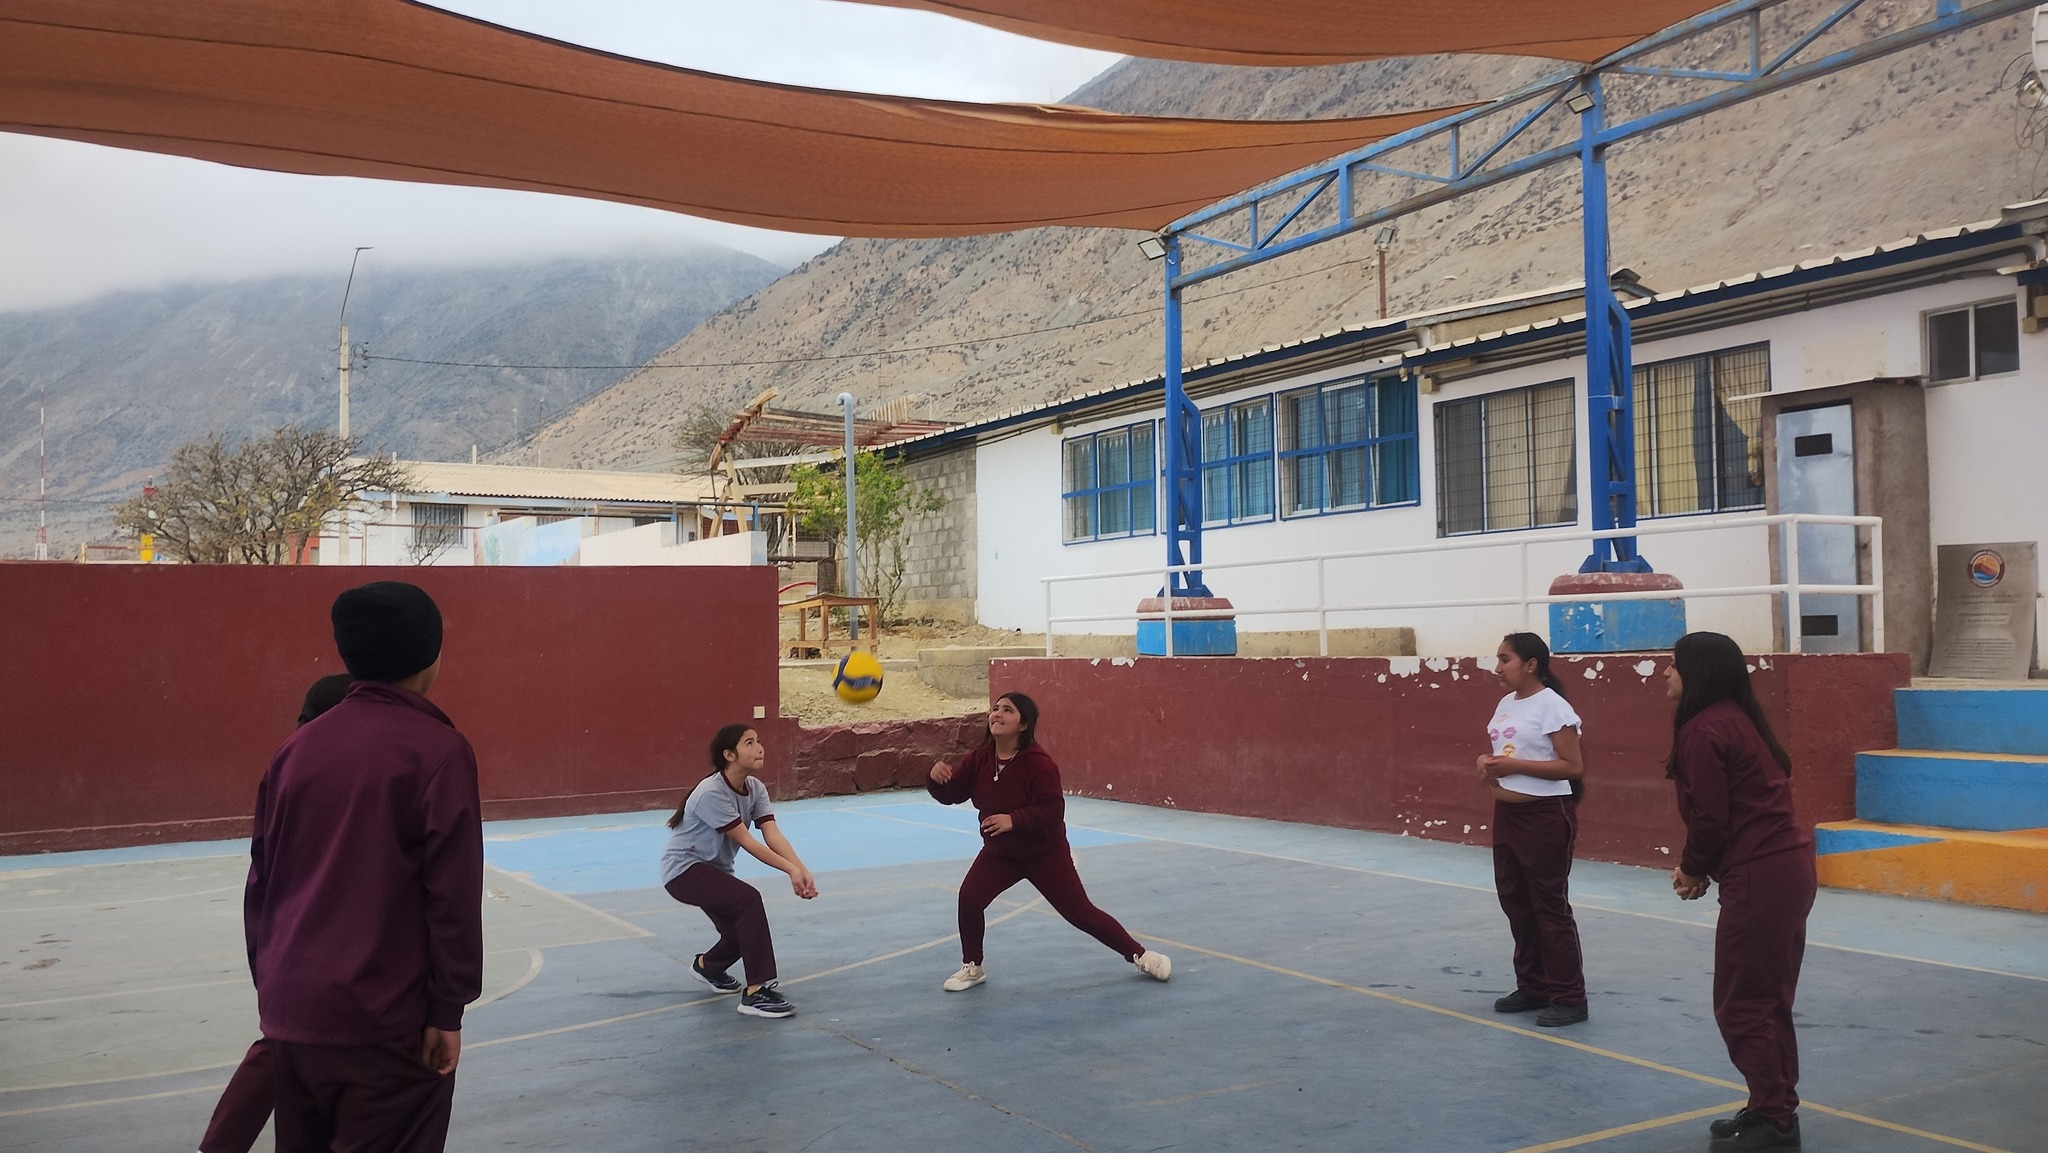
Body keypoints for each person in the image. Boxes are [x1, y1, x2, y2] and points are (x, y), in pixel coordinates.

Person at [244, 582, 482, 1153]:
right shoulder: (437, 750)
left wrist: (278, 990)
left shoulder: (296, 749)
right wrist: (446, 1009)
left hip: (293, 1010)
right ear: (432, 653)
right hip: (384, 1020)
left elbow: (261, 882)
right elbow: (451, 894)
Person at [1665, 632, 1815, 1150]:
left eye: (1675, 666)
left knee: (1742, 1003)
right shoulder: (1739, 718)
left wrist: (1691, 869)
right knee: (1768, 999)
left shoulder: (1704, 729)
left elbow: (1711, 816)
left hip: (1760, 875)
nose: (1667, 675)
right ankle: (1772, 1107)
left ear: (1698, 673)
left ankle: (1773, 1118)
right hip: (1786, 869)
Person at [198, 673, 354, 1153]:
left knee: (278, 1051)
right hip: (333, 962)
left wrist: (262, 960)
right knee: (292, 1055)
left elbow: (259, 879)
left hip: (288, 951)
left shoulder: (288, 768)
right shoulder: (348, 774)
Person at [927, 691, 1170, 991]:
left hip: (1044, 853)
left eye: (1008, 710)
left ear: (1024, 724)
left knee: (1081, 914)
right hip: (1001, 853)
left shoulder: (1039, 764)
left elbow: (1052, 812)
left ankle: (1141, 955)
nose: (997, 714)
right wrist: (938, 781)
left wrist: (1013, 820)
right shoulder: (978, 759)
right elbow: (953, 794)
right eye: (995, 709)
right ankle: (973, 967)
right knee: (969, 898)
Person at [661, 724, 817, 1019]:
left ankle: (708, 967)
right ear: (729, 755)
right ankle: (757, 992)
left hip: (713, 871)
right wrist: (789, 872)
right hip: (684, 871)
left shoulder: (755, 788)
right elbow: (747, 842)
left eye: (759, 740)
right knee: (747, 900)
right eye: (749, 743)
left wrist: (800, 868)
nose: (759, 747)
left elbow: (772, 834)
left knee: (741, 933)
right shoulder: (711, 792)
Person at [1478, 632, 1588, 1028]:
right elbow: (1510, 752)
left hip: (1544, 818)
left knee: (1549, 906)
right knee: (1515, 901)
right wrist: (1487, 762)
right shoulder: (1506, 703)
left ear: (1530, 664)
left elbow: (1572, 767)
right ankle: (1533, 984)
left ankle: (1570, 996)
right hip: (1509, 817)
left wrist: (1514, 769)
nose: (1498, 668)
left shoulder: (1553, 707)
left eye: (1505, 659)